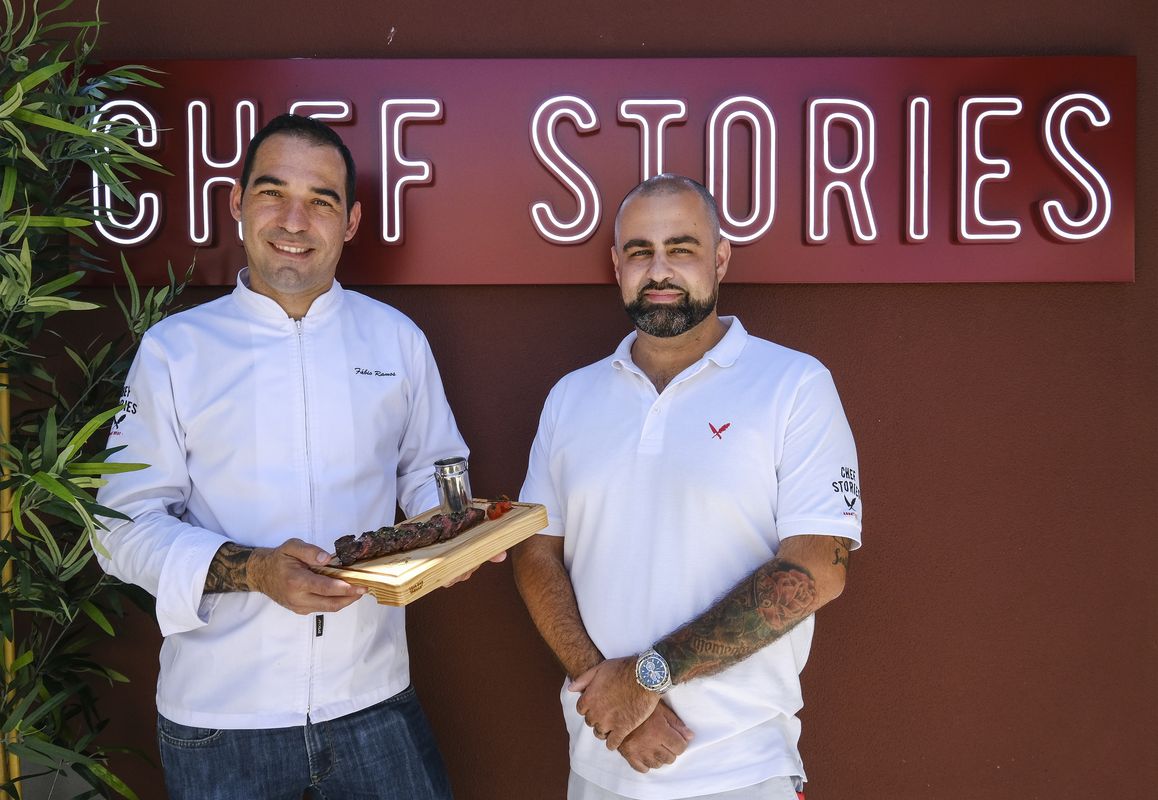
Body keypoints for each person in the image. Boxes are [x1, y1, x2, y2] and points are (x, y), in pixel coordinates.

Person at [96, 114, 488, 800]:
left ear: (351, 221)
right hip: (221, 720)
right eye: (273, 192)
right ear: (236, 202)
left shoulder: (395, 339)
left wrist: (454, 536)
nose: (294, 220)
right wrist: (255, 570)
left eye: (321, 201)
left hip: (374, 701)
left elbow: (434, 467)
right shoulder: (174, 351)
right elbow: (120, 528)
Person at [513, 174, 862, 800]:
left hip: (741, 767)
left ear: (720, 258)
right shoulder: (571, 397)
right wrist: (607, 692)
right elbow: (535, 552)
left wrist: (647, 677)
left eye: (682, 248)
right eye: (640, 251)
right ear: (616, 265)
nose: (659, 270)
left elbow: (817, 570)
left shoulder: (794, 385)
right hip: (600, 759)